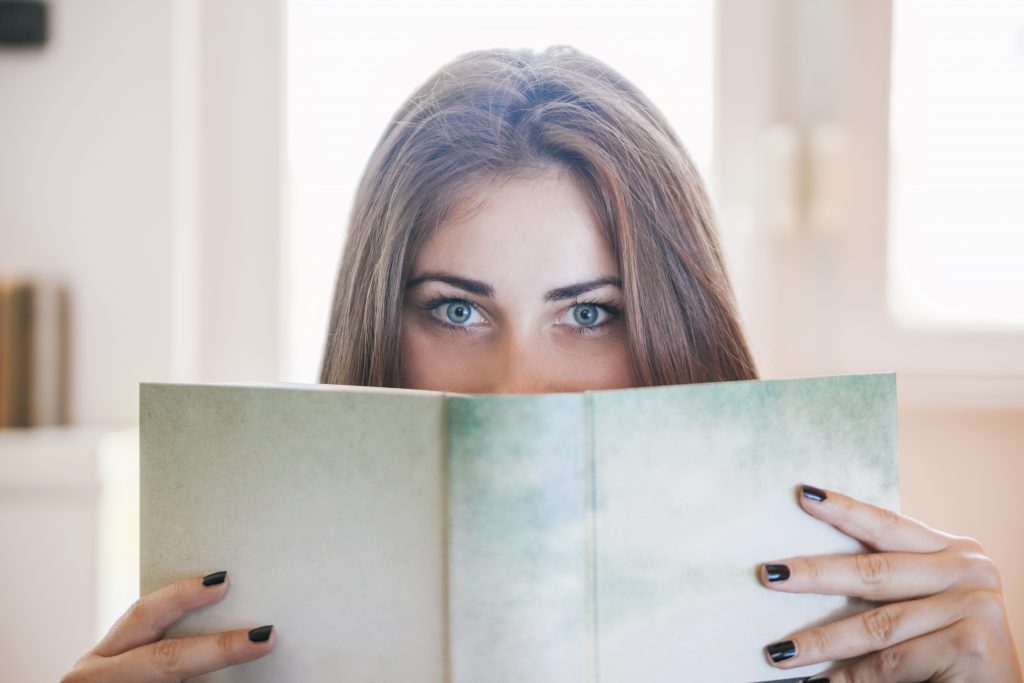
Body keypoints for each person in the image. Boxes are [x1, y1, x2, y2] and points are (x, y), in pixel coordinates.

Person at [62, 46, 1021, 682]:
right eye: (457, 307)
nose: (518, 383)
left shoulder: (835, 629)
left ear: (669, 329)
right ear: (381, 322)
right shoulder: (234, 628)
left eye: (591, 312)